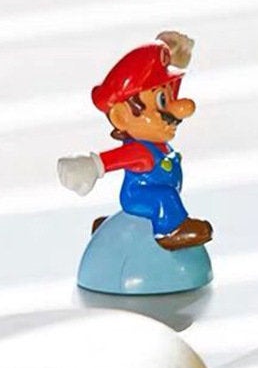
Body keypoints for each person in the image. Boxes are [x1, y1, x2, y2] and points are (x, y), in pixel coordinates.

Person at [57, 31, 213, 251]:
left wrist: (175, 58)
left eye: (169, 97)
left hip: (152, 196)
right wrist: (90, 165)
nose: (178, 109)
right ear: (122, 117)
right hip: (140, 196)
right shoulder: (142, 151)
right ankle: (170, 230)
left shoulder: (156, 141)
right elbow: (110, 160)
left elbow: (168, 106)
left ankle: (108, 227)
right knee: (165, 197)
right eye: (162, 99)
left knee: (166, 197)